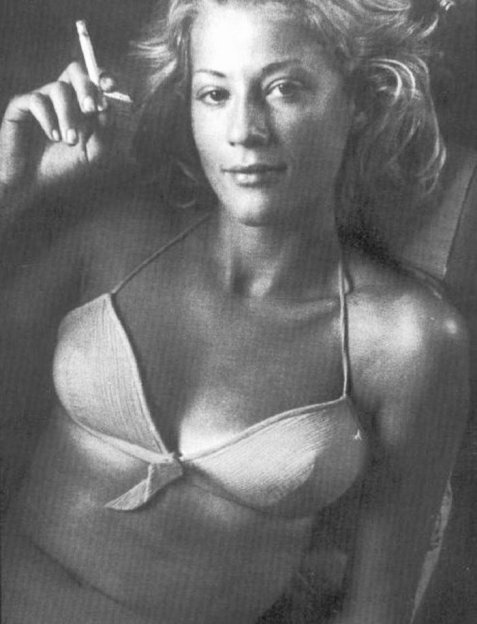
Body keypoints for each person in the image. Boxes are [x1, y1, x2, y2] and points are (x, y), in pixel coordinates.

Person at [0, 0, 469, 623]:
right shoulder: (113, 233)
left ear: (359, 100)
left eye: (284, 89)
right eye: (215, 94)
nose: (245, 130)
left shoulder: (410, 339)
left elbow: (378, 609)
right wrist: (10, 190)